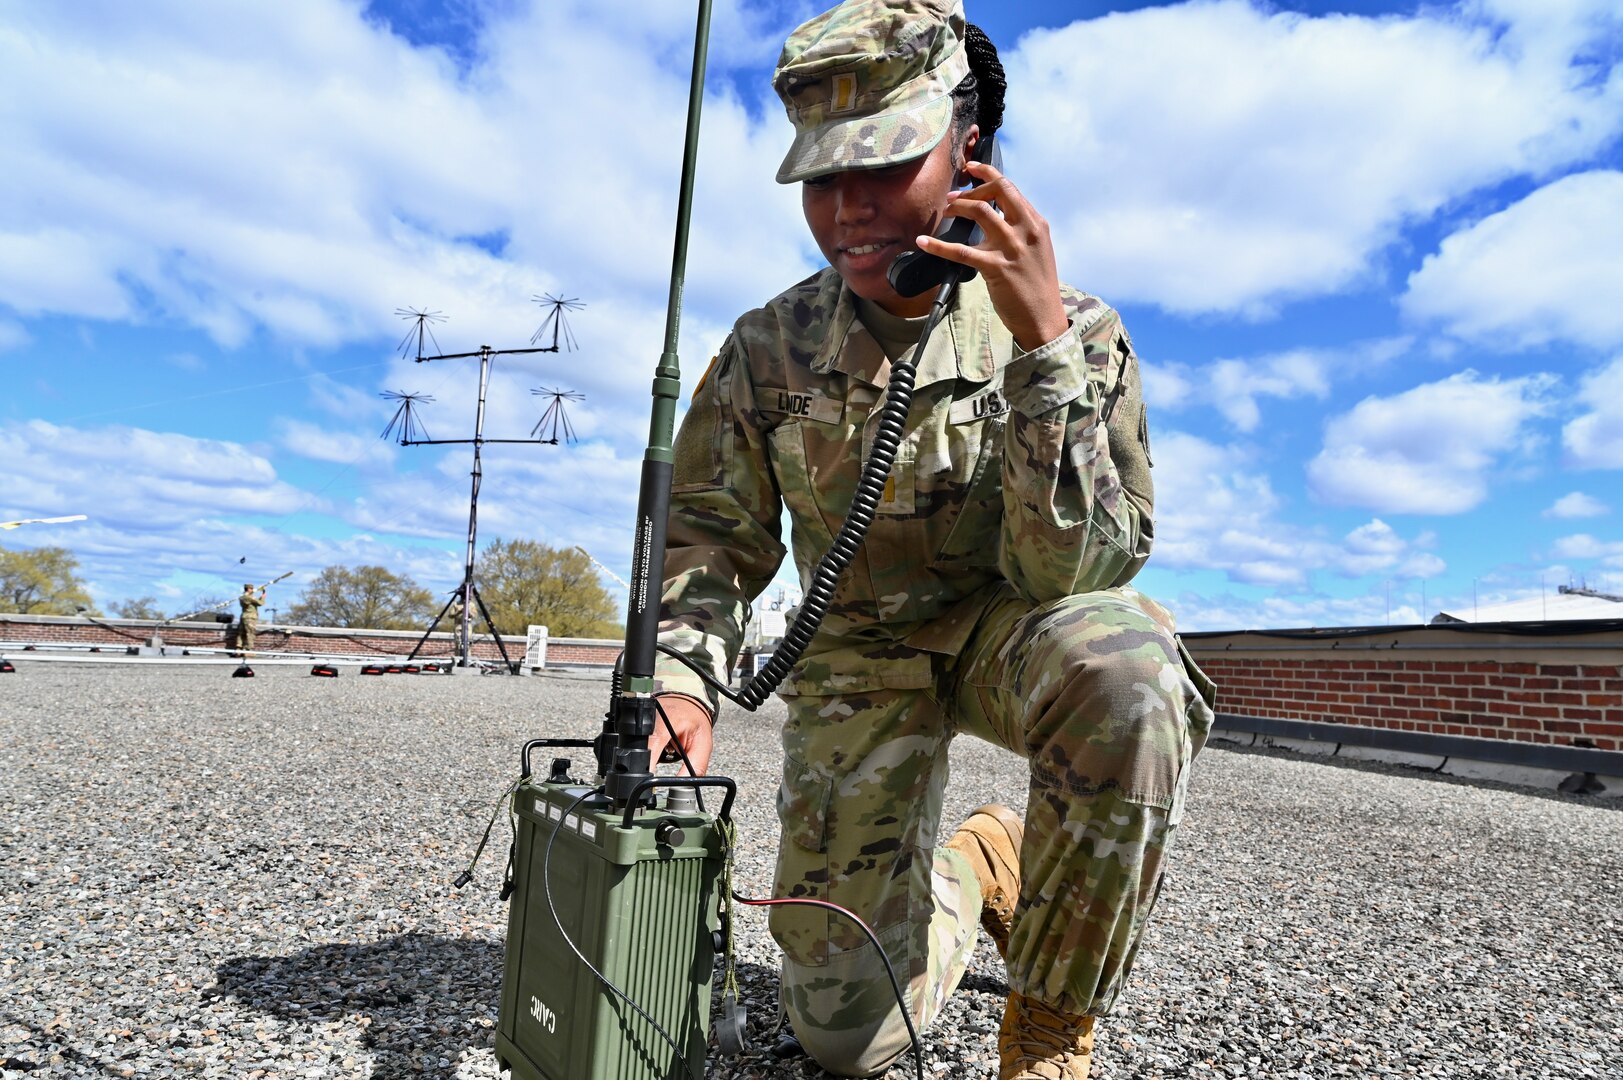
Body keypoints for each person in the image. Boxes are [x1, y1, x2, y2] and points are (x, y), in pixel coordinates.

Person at [649, 2, 1216, 1077]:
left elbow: (1084, 570)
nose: (848, 208)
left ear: (971, 152)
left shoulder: (1075, 329)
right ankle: (980, 865)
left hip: (1009, 635)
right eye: (819, 177)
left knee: (1130, 669)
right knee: (848, 1039)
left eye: (885, 164)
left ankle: (1053, 1014)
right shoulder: (766, 348)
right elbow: (707, 539)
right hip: (857, 657)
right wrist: (682, 685)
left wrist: (1043, 345)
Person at [235, 583, 265, 655]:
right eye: (251, 588)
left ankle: (238, 649)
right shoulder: (250, 597)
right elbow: (260, 603)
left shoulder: (242, 597)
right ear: (248, 589)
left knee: (241, 633)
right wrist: (263, 596)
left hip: (244, 616)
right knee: (250, 633)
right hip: (250, 617)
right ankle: (248, 650)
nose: (252, 590)